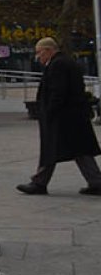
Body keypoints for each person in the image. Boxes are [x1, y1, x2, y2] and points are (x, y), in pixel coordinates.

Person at [17, 38, 101, 196]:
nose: (38, 57)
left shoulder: (58, 65)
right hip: (73, 117)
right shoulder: (66, 62)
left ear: (48, 50)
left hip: (63, 117)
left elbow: (58, 92)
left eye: (39, 52)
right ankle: (96, 182)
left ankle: (39, 183)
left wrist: (48, 112)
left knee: (52, 150)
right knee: (79, 150)